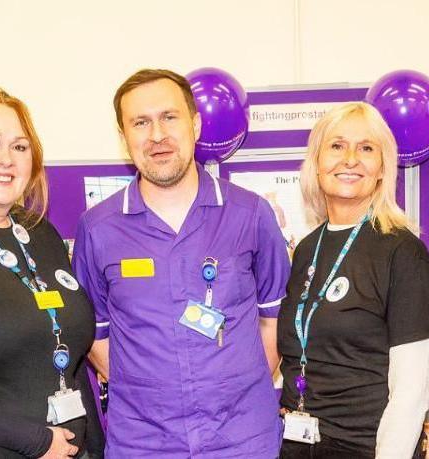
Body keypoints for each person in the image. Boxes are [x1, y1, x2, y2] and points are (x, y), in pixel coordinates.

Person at [72, 69, 290, 458]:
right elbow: (96, 337)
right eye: (141, 122)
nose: (157, 135)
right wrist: (155, 397)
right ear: (125, 138)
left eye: (169, 117)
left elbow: (273, 320)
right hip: (144, 443)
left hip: (243, 440)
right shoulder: (98, 229)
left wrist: (231, 388)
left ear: (195, 123)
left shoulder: (250, 215)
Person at [0, 88, 104, 458]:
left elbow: (67, 352)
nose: (5, 159)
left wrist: (92, 444)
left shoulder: (40, 231)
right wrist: (37, 441)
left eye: (20, 147)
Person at [278, 102, 429, 458]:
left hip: (367, 448)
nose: (350, 159)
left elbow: (411, 392)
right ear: (316, 162)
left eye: (367, 148)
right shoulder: (307, 248)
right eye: (336, 146)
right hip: (299, 445)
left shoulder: (403, 252)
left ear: (382, 168)